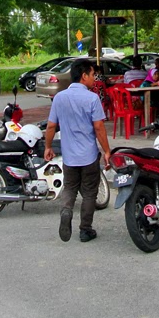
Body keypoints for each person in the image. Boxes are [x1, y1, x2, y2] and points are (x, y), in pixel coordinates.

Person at [44, 59, 112, 243]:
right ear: (83, 76)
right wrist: (107, 151)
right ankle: (85, 230)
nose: (94, 78)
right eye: (92, 74)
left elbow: (51, 126)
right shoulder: (92, 98)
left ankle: (66, 211)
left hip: (69, 157)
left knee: (70, 187)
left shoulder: (59, 98)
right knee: (89, 193)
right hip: (88, 156)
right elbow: (98, 127)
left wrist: (48, 147)